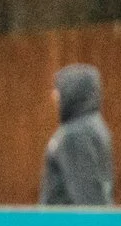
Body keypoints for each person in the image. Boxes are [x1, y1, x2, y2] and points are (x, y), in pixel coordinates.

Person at [39, 64, 114, 205]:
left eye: (59, 88)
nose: (54, 95)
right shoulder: (95, 126)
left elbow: (88, 198)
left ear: (72, 92)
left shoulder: (75, 135)